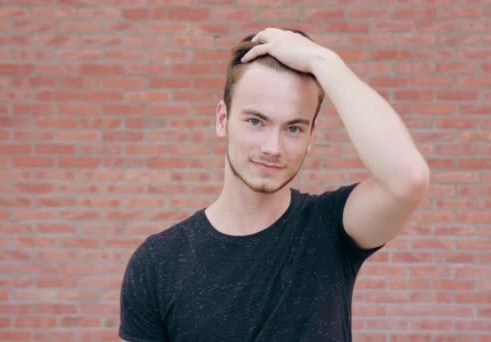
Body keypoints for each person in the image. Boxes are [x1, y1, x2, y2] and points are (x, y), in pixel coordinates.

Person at [119, 28, 430, 342]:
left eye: (293, 128)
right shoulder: (157, 262)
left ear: (311, 136)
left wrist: (323, 60)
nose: (273, 147)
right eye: (256, 121)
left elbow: (408, 178)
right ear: (222, 119)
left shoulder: (331, 227)